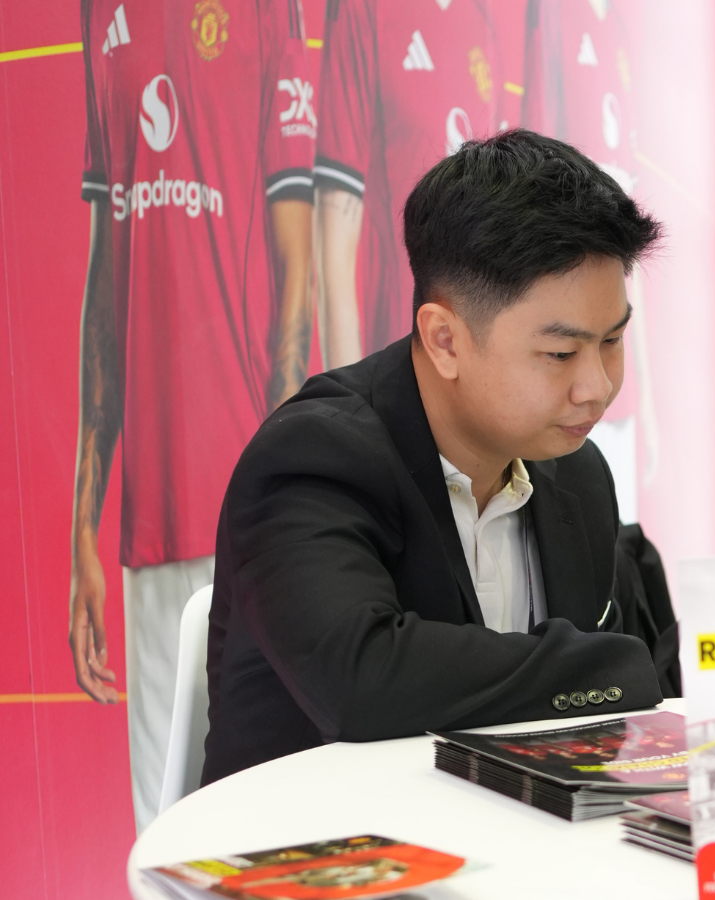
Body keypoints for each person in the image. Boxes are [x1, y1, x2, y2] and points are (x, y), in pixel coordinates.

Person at [202, 130, 665, 785]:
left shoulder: (576, 473)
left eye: (612, 341)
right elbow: (362, 683)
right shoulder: (312, 458)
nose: (597, 386)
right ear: (445, 339)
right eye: (560, 354)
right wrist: (615, 668)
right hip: (320, 835)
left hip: (504, 832)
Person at [73, 0, 316, 830]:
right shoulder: (99, 14)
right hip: (149, 518)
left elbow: (296, 279)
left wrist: (288, 499)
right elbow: (105, 280)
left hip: (248, 506)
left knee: (263, 815)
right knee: (160, 824)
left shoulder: (271, 15)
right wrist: (83, 534)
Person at [314, 0, 512, 368]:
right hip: (397, 357)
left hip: (476, 367)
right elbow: (333, 245)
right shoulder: (366, 11)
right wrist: (348, 396)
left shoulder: (482, 21)